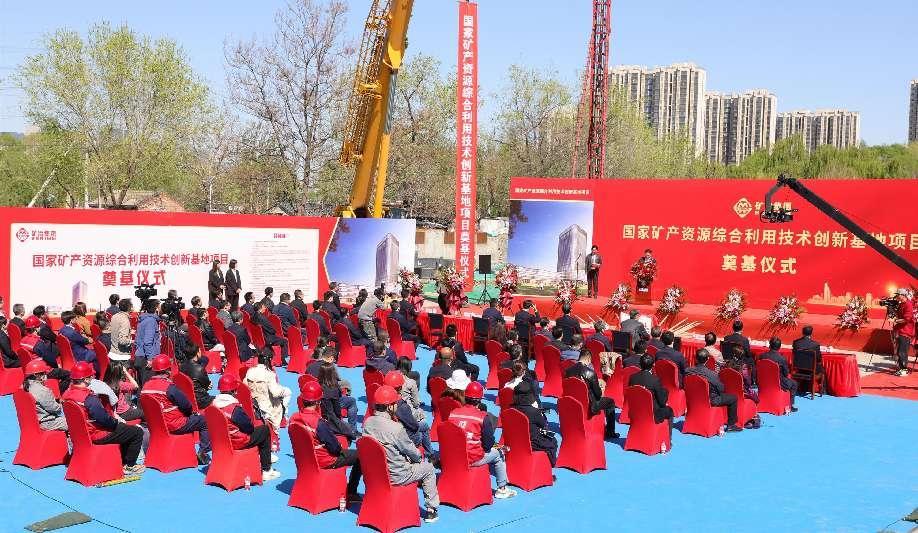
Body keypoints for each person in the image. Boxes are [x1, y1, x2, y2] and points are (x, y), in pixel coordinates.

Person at [363, 385, 440, 523]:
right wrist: (418, 458)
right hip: (397, 475)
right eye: (395, 403)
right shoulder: (396, 428)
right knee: (428, 468)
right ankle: (431, 510)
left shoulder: (367, 423)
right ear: (389, 407)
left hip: (375, 474)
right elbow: (413, 453)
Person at [62, 361, 146, 475]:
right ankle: (129, 465)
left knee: (123, 429)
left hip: (79, 436)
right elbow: (104, 419)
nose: (92, 378)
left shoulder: (66, 395)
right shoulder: (89, 398)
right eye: (90, 376)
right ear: (86, 379)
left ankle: (121, 461)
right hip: (96, 434)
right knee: (136, 432)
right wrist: (116, 423)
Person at [289, 381, 362, 502]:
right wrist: (340, 446)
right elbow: (335, 449)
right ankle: (351, 492)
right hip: (324, 460)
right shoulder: (319, 423)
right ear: (318, 401)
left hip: (305, 459)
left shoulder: (293, 418)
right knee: (360, 455)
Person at [449, 381, 517, 498]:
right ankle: (502, 489)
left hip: (454, 457)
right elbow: (488, 444)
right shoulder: (483, 417)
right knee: (499, 453)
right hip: (472, 458)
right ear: (480, 399)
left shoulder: (453, 413)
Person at [141, 354, 211, 463]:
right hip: (174, 425)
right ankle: (203, 452)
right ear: (168, 371)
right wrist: (190, 414)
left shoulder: (145, 387)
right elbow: (187, 405)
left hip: (155, 426)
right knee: (205, 421)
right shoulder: (169, 388)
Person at [212, 374, 280, 480]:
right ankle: (266, 469)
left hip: (221, 441)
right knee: (264, 430)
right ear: (234, 391)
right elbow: (249, 428)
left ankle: (261, 456)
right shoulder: (234, 409)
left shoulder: (213, 405)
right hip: (237, 441)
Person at [564, 348, 619, 439]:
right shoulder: (590, 373)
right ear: (589, 359)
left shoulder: (568, 371)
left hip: (572, 402)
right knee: (610, 402)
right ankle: (610, 432)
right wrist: (601, 388)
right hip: (589, 405)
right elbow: (598, 395)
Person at [685, 349, 741, 432]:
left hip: (693, 398)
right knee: (733, 398)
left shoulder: (687, 371)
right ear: (708, 359)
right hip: (710, 400)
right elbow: (721, 389)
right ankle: (731, 425)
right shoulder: (712, 374)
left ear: (695, 358)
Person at [386, 371, 437, 459]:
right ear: (400, 387)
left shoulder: (383, 402)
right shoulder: (401, 406)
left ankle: (429, 453)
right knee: (424, 426)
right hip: (403, 433)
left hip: (391, 430)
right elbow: (413, 426)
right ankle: (430, 454)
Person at [243, 348, 292, 438]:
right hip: (266, 405)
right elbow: (275, 393)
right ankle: (281, 420)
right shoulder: (269, 374)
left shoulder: (250, 371)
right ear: (269, 360)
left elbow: (244, 385)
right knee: (288, 392)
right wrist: (284, 390)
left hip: (253, 401)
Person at [511, 381, 557, 465]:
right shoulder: (534, 411)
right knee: (553, 440)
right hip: (532, 442)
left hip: (515, 440)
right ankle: (550, 464)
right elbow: (543, 425)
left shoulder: (511, 409)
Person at [628, 354, 675, 434]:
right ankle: (668, 439)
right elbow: (662, 402)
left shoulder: (632, 378)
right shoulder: (655, 380)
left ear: (640, 364)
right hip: (651, 415)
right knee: (669, 410)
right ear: (653, 365)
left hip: (635, 412)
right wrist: (665, 393)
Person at [23, 359, 68, 431]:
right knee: (74, 422)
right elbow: (54, 409)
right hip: (48, 422)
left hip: (34, 420)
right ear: (37, 375)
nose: (46, 375)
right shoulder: (42, 390)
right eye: (44, 373)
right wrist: (62, 405)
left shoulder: (25, 386)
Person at [318, 362, 358, 437]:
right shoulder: (334, 389)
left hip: (323, 409)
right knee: (352, 401)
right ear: (333, 373)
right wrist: (339, 421)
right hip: (330, 413)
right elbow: (337, 410)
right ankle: (353, 429)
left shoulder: (318, 384)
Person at [759, 337, 798, 412]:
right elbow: (786, 374)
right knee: (794, 384)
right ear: (779, 347)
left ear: (770, 345)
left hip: (764, 381)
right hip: (778, 382)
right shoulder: (782, 359)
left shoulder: (762, 356)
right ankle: (790, 405)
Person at [135, 299, 162, 385]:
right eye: (159, 306)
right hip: (145, 358)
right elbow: (147, 342)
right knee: (147, 386)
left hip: (141, 356)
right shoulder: (151, 321)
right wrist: (150, 359)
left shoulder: (144, 319)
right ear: (156, 308)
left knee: (142, 385)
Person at [180, 343, 214, 408]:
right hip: (201, 400)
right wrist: (208, 385)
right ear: (198, 353)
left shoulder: (181, 367)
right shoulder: (200, 369)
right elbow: (207, 385)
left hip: (187, 398)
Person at [892, 288, 915, 376]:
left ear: (903, 295)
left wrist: (895, 320)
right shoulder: (901, 304)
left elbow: (906, 319)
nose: (897, 296)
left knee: (902, 351)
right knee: (899, 351)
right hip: (900, 330)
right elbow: (899, 316)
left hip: (906, 331)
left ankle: (904, 369)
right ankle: (901, 368)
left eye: (898, 295)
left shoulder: (908, 304)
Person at [108, 299, 133, 364]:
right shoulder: (125, 320)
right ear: (129, 307)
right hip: (121, 356)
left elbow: (115, 330)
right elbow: (122, 341)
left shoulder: (114, 316)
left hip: (113, 352)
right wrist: (133, 341)